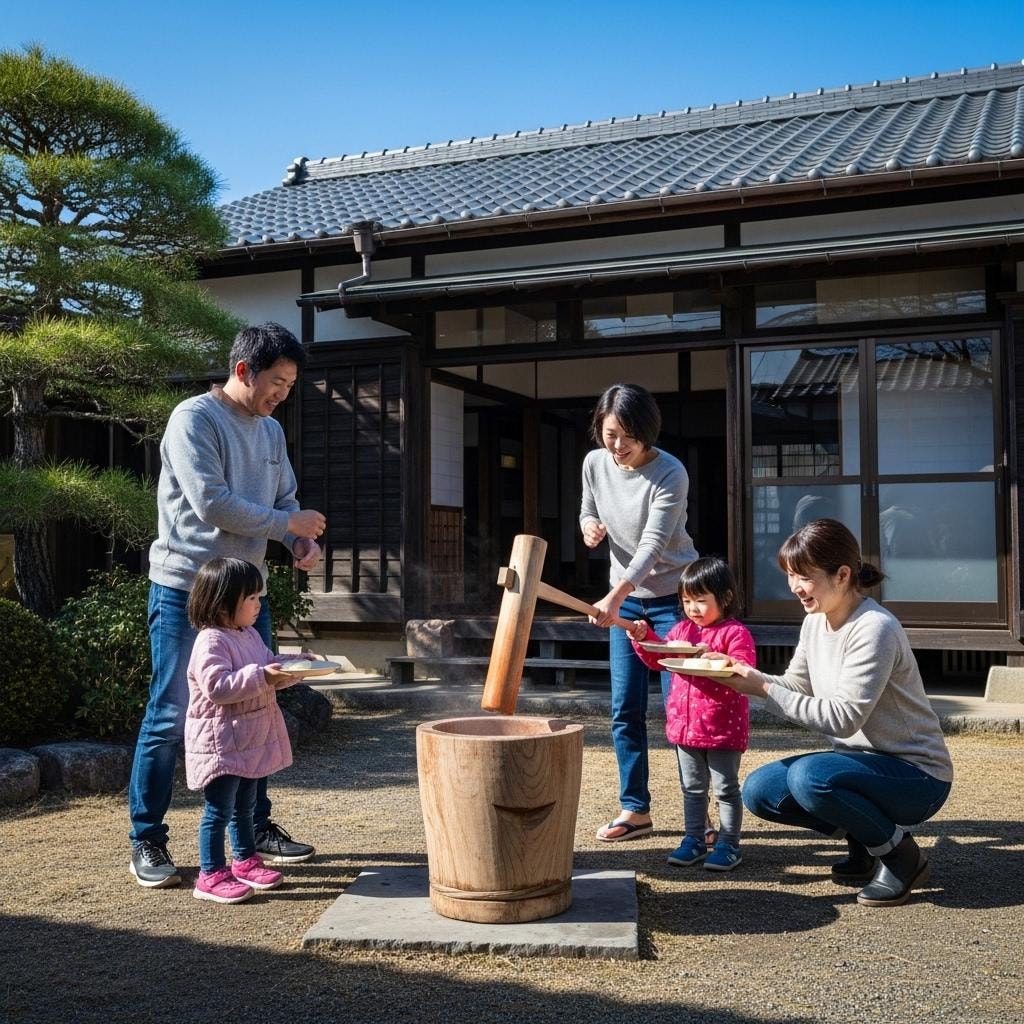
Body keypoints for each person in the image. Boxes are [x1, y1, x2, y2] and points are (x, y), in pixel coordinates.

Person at [128, 322, 325, 889]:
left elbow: (283, 500)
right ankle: (148, 837)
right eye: (277, 382)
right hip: (185, 587)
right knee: (169, 713)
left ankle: (254, 831)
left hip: (247, 593)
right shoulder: (193, 418)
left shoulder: (270, 432)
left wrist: (297, 540)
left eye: (290, 383)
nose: (283, 393)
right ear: (244, 371)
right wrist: (286, 523)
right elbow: (212, 502)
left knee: (258, 704)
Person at [715, 518, 953, 908]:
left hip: (917, 776)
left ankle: (899, 856)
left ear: (842, 575)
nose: (794, 587)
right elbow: (796, 685)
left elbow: (844, 719)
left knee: (811, 778)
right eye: (790, 575)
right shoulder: (815, 622)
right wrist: (743, 676)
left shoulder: (874, 628)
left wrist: (763, 689)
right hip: (861, 766)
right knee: (762, 791)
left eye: (803, 576)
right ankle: (864, 840)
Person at [580, 383, 699, 842]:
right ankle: (635, 810)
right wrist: (589, 525)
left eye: (628, 436)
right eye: (610, 433)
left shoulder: (671, 472)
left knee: (682, 709)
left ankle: (697, 818)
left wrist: (614, 594)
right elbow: (588, 507)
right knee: (623, 709)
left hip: (675, 600)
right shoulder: (595, 462)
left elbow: (652, 545)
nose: (618, 445)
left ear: (649, 433)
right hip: (625, 597)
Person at [185, 558, 307, 904]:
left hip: (248, 739)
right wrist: (264, 675)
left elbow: (268, 669)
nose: (258, 604)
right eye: (251, 598)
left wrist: (296, 667)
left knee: (246, 806)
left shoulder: (249, 634)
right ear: (223, 601)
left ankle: (244, 861)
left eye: (258, 597)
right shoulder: (211, 641)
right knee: (218, 811)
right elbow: (218, 688)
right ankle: (210, 874)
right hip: (221, 742)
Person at [630, 557, 755, 871]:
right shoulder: (682, 629)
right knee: (692, 788)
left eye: (701, 601)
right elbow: (660, 658)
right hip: (685, 728)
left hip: (722, 726)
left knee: (726, 788)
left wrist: (723, 659)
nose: (693, 608)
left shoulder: (735, 633)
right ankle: (694, 839)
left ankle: (729, 843)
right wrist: (643, 640)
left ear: (724, 598)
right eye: (686, 601)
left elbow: (744, 667)